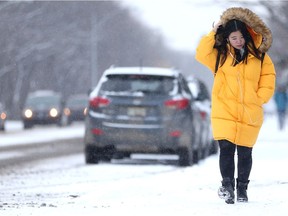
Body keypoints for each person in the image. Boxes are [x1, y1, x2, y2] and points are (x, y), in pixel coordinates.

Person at [195, 7, 276, 204]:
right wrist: (214, 31)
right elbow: (200, 53)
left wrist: (259, 98)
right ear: (227, 39)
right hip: (225, 110)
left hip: (250, 110)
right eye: (233, 38)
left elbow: (268, 78)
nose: (238, 41)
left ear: (247, 36)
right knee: (226, 149)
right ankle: (228, 186)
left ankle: (242, 188)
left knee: (245, 152)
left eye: (240, 37)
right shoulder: (220, 56)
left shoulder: (260, 57)